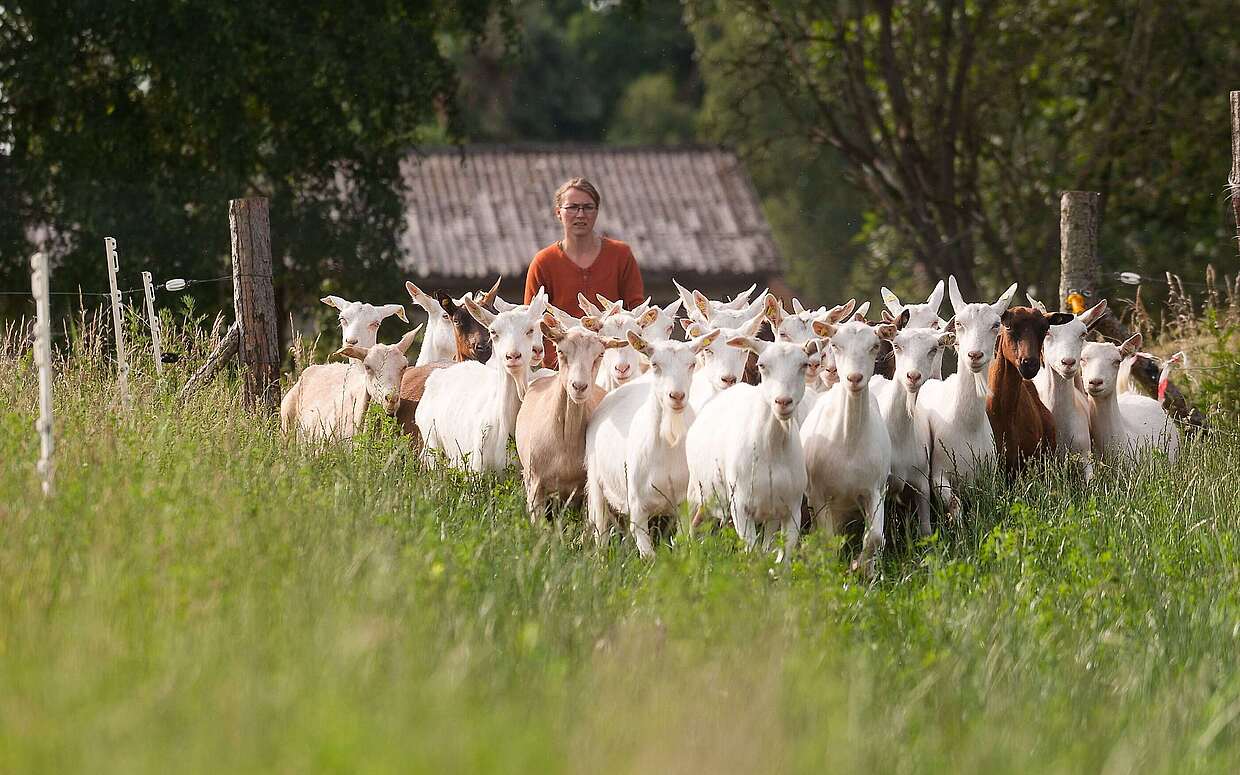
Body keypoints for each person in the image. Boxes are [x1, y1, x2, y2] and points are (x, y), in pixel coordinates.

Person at [524, 177, 644, 366]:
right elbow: (530, 320)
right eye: (572, 207)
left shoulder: (621, 255)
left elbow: (636, 312)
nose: (580, 214)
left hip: (612, 365)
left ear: (597, 212)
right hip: (558, 368)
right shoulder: (543, 262)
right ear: (558, 213)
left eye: (588, 207)